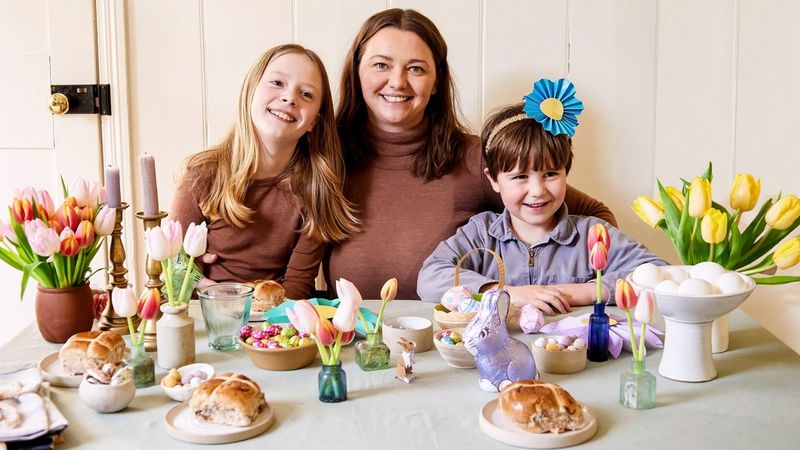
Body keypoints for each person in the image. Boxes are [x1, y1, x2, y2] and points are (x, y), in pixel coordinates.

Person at [326, 8, 617, 300]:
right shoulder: (328, 158)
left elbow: (595, 217)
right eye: (381, 65)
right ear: (356, 71)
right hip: (350, 342)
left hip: (455, 341)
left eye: (416, 68)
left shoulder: (474, 158)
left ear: (436, 81)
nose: (398, 81)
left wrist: (548, 294)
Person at [417, 79, 665, 313]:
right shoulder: (481, 233)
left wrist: (587, 291)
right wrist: (505, 293)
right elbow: (430, 277)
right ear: (493, 180)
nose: (537, 191)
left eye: (550, 174)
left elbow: (660, 275)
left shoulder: (593, 234)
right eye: (520, 177)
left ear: (566, 172)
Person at [170, 44, 359, 299]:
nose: (290, 98)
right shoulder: (203, 174)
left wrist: (237, 300)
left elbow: (298, 285)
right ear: (250, 92)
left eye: (306, 94)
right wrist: (208, 288)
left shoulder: (316, 190)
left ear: (314, 120)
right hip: (205, 319)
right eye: (277, 83)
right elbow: (173, 265)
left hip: (276, 322)